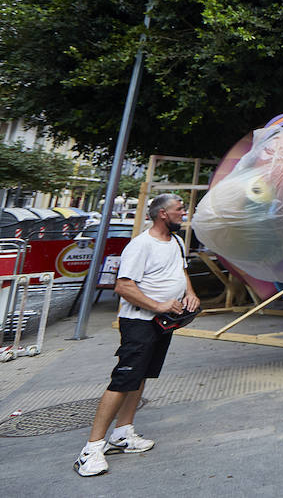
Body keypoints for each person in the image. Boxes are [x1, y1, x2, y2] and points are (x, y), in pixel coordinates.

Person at [75, 193, 200, 477]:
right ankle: (91, 449)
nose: (184, 212)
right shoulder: (140, 245)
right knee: (124, 379)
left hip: (164, 322)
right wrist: (158, 305)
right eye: (179, 209)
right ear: (163, 215)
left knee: (140, 376)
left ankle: (123, 432)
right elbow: (123, 286)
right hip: (139, 322)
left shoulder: (177, 241)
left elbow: (181, 270)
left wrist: (189, 293)